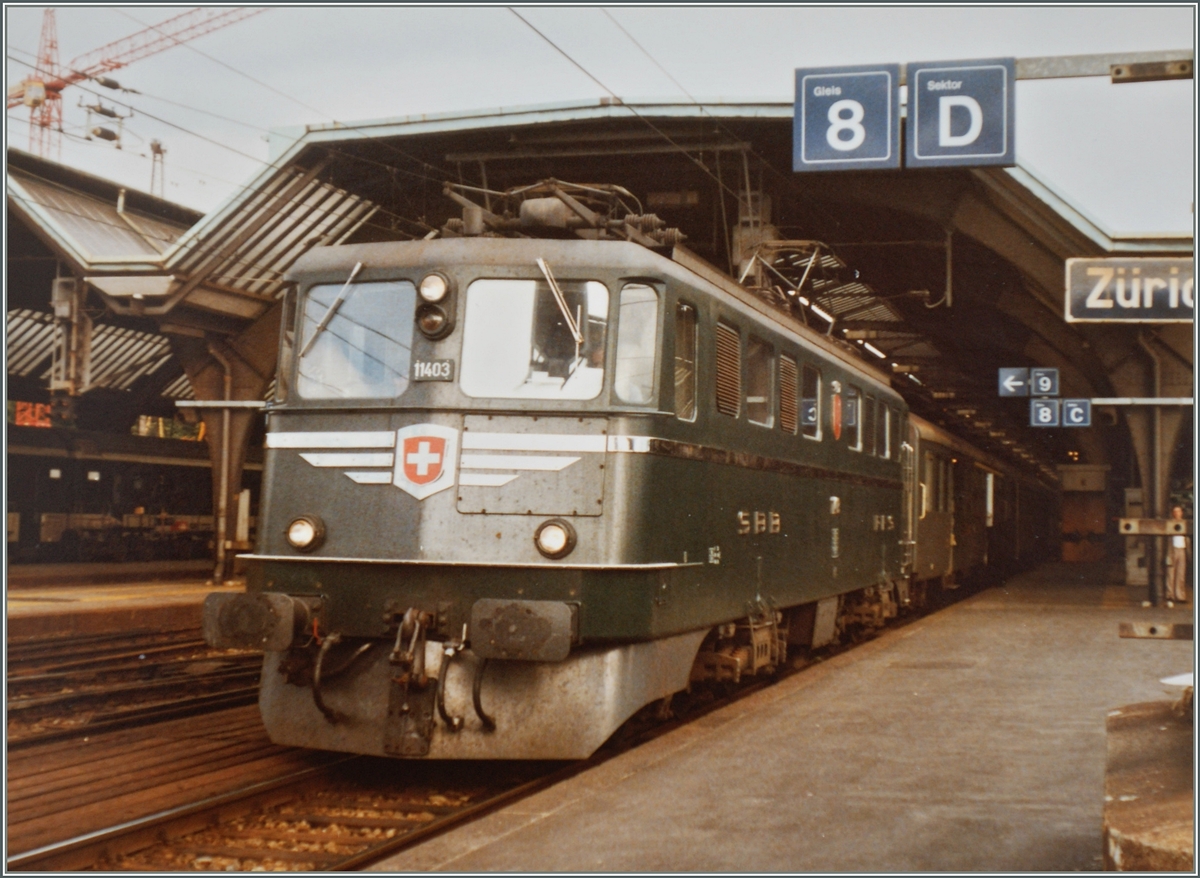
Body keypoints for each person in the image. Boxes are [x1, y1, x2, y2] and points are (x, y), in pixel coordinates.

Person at [1165, 505, 1191, 607]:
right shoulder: (1170, 523)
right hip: (1172, 550)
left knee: (1181, 574)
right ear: (1173, 513)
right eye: (1175, 511)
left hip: (1182, 550)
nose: (1177, 513)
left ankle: (1180, 596)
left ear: (1181, 513)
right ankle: (1170, 595)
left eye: (1179, 511)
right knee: (1170, 573)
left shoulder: (1185, 523)